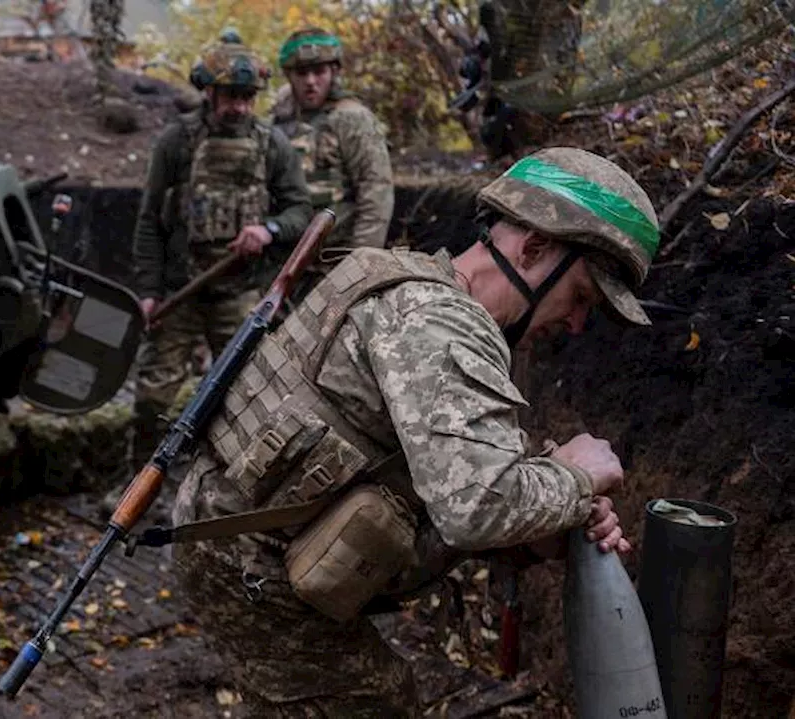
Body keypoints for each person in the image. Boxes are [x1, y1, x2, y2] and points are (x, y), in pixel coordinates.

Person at [168, 146, 659, 716]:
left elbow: (450, 457)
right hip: (250, 564)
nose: (576, 324)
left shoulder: (415, 285)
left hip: (236, 538)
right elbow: (475, 506)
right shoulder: (442, 322)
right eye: (580, 298)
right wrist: (576, 477)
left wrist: (561, 505)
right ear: (535, 248)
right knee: (373, 701)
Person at [110, 30, 313, 515]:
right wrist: (149, 292)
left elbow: (302, 211)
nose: (239, 107)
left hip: (240, 293)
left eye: (247, 97)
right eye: (230, 96)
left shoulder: (273, 145)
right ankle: (142, 487)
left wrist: (267, 229)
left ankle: (237, 488)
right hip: (182, 289)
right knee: (153, 395)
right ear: (208, 91)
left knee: (248, 394)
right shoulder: (176, 142)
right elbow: (150, 223)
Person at [271, 28, 394, 252]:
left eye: (319, 71)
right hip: (282, 252)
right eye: (301, 73)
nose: (310, 81)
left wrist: (362, 259)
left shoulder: (352, 118)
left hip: (336, 253)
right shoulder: (277, 120)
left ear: (333, 72)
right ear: (289, 76)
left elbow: (376, 194)